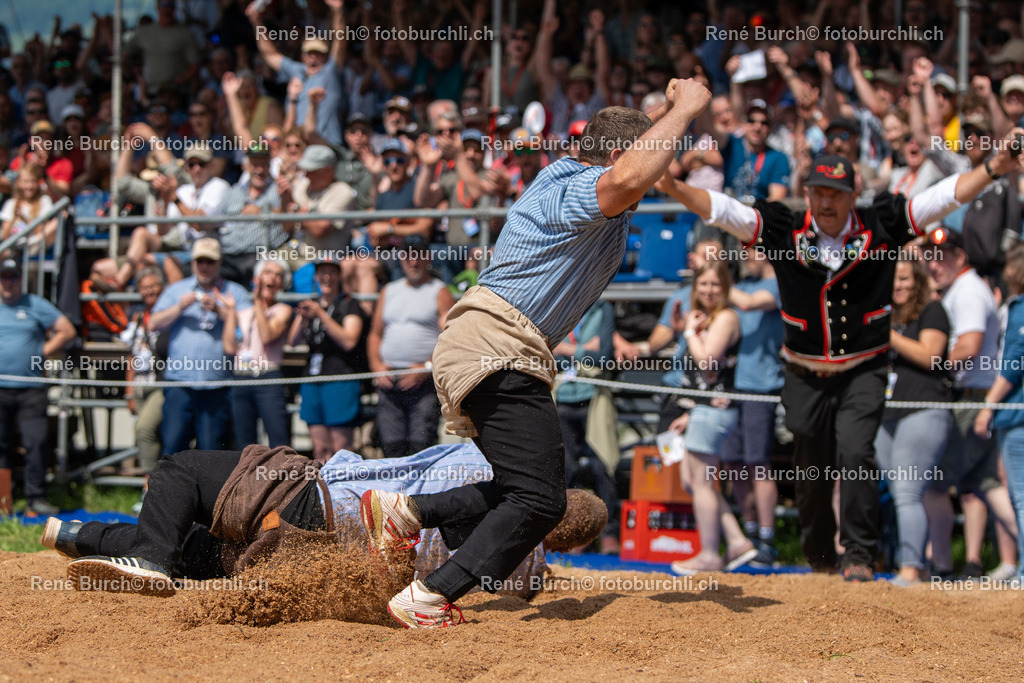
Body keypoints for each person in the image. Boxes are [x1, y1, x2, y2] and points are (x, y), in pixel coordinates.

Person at [359, 79, 714, 628]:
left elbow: (635, 158)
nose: (657, 174)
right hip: (497, 342)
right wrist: (688, 110)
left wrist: (666, 111)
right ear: (617, 155)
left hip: (491, 341)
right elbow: (627, 175)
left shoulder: (587, 181)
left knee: (516, 486)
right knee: (542, 501)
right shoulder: (574, 182)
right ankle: (429, 594)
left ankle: (405, 512)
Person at [656, 130, 1024, 581]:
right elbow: (725, 210)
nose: (826, 203)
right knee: (811, 467)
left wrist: (994, 167)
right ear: (807, 193)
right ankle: (819, 556)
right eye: (818, 193)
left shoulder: (883, 223)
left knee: (856, 452)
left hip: (863, 370)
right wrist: (672, 187)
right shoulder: (784, 228)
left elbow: (941, 198)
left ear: (852, 196)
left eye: (836, 194)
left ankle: (858, 556)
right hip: (804, 372)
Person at [43, 443, 602, 600]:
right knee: (206, 558)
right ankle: (73, 537)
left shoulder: (488, 468)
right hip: (317, 555)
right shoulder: (521, 574)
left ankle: (139, 556)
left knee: (179, 470)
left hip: (320, 499)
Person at [922, 227, 1020, 580]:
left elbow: (969, 346)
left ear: (960, 256)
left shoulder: (967, 292)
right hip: (974, 402)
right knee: (989, 486)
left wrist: (927, 361)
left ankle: (939, 566)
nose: (934, 264)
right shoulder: (962, 289)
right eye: (930, 257)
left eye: (942, 255)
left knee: (931, 484)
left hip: (970, 403)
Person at [663, 260, 754, 575]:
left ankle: (709, 555)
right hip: (701, 409)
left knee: (701, 482)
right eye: (703, 284)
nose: (708, 290)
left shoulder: (726, 318)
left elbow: (707, 364)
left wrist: (689, 332)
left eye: (715, 284)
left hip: (714, 411)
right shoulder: (707, 319)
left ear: (726, 287)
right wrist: (686, 330)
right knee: (693, 481)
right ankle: (737, 541)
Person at [875, 257, 954, 586]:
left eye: (905, 278)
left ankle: (910, 567)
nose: (899, 286)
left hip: (924, 408)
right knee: (899, 491)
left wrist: (888, 336)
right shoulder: (886, 315)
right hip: (887, 413)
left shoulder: (933, 311)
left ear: (918, 279)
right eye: (894, 280)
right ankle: (917, 568)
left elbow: (931, 355)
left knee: (908, 491)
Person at [149, 238, 252, 454]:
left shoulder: (235, 293)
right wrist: (179, 307)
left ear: (220, 262)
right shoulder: (177, 290)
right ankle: (174, 490)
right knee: (173, 448)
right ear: (193, 263)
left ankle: (208, 490)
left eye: (210, 261)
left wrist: (221, 311)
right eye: (200, 261)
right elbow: (153, 323)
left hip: (216, 384)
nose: (204, 266)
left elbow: (247, 330)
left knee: (211, 452)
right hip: (179, 382)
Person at [719, 248, 784, 566]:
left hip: (761, 387)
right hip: (731, 388)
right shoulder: (742, 286)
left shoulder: (777, 285)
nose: (745, 256)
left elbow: (745, 304)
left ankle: (767, 540)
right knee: (733, 463)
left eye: (752, 250)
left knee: (758, 464)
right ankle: (749, 534)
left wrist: (714, 275)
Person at [0, 257, 76, 515]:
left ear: (20, 279)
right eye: (4, 276)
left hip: (31, 388)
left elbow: (66, 330)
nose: (8, 282)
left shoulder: (35, 304)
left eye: (13, 276)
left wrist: (42, 351)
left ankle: (36, 499)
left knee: (36, 442)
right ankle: (3, 501)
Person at [367, 235, 453, 458]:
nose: (413, 262)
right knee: (391, 448)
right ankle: (393, 494)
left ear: (428, 258)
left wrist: (426, 367)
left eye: (419, 256)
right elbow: (375, 335)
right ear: (401, 258)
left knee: (421, 447)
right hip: (389, 379)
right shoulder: (389, 290)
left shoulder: (439, 291)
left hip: (423, 383)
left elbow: (452, 339)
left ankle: (421, 495)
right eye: (407, 256)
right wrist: (377, 366)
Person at [553, 299, 620, 554]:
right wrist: (584, 349)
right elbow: (547, 351)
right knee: (566, 470)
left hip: (594, 400)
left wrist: (568, 350)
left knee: (605, 465)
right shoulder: (559, 306)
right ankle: (574, 533)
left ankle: (610, 533)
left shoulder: (602, 308)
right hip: (563, 398)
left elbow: (603, 357)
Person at [975, 243, 1024, 582]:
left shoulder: (1020, 308)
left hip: (1016, 414)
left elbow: (1012, 364)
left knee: (1020, 495)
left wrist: (987, 406)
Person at [288, 257, 366, 464]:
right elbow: (293, 341)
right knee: (320, 449)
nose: (327, 277)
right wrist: (304, 318)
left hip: (339, 379)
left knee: (341, 449)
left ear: (339, 275)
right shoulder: (312, 304)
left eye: (331, 272)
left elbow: (349, 340)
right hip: (313, 380)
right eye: (322, 272)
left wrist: (321, 315)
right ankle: (322, 494)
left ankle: (346, 493)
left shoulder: (349, 304)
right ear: (316, 276)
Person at [230, 259, 293, 449]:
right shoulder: (243, 311)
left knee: (278, 441)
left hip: (268, 378)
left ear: (282, 284)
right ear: (257, 279)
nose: (272, 277)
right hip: (241, 377)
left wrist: (258, 302)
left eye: (277, 275)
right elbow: (229, 346)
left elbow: (267, 336)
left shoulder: (283, 310)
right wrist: (228, 313)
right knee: (244, 444)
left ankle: (281, 478)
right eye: (267, 272)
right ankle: (248, 479)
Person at [121, 267, 167, 480]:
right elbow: (132, 355)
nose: (148, 291)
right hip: (139, 383)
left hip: (160, 384)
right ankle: (154, 486)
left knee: (144, 429)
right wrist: (129, 390)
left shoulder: (168, 315)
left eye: (153, 286)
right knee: (147, 433)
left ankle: (149, 486)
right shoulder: (137, 316)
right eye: (144, 287)